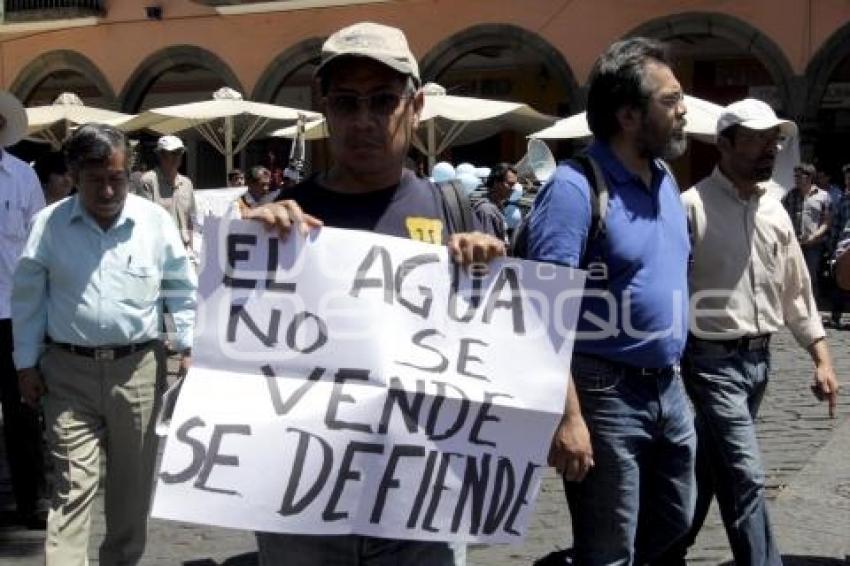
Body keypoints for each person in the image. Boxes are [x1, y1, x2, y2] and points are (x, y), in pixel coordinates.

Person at [239, 21, 505, 566]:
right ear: (325, 109)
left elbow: (495, 359)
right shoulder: (279, 224)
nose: (363, 120)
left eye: (383, 100)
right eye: (345, 102)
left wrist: (488, 276)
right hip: (302, 505)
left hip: (420, 500)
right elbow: (236, 357)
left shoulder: (455, 212)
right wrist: (250, 252)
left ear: (417, 105)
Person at [526, 37, 695, 565]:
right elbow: (541, 314)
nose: (684, 110)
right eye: (670, 101)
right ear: (628, 114)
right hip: (605, 391)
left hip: (669, 386)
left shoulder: (665, 178)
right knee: (609, 547)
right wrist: (567, 417)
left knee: (674, 522)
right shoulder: (574, 190)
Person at [658, 98, 840, 566]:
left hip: (760, 363)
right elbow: (666, 288)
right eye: (757, 140)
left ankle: (663, 550)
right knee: (745, 473)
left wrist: (821, 356)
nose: (769, 150)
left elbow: (796, 289)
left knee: (711, 465)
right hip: (711, 363)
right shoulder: (690, 207)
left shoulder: (775, 211)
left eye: (773, 141)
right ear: (724, 143)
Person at [12, 123, 197, 565]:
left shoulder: (153, 222)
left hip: (138, 371)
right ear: (75, 176)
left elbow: (181, 287)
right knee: (72, 486)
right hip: (67, 373)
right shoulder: (48, 226)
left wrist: (189, 346)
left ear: (128, 173)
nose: (108, 190)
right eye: (96, 180)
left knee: (130, 492)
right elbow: (28, 299)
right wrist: (25, 364)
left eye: (116, 178)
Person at [0, 90, 47, 529]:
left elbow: (36, 248)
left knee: (23, 415)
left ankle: (31, 502)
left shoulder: (22, 178)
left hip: (15, 316)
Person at [134, 134, 197, 256]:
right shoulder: (148, 180)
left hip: (183, 250)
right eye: (172, 152)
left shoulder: (187, 183)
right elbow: (143, 221)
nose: (177, 157)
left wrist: (191, 249)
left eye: (179, 152)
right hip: (158, 250)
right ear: (160, 155)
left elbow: (190, 220)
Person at [782, 162, 831, 298]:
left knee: (811, 277)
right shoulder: (790, 195)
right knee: (791, 277)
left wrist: (815, 235)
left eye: (799, 176)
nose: (796, 179)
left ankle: (812, 309)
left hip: (814, 245)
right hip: (793, 244)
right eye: (795, 176)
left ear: (809, 177)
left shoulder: (823, 196)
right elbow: (781, 217)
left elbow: (827, 221)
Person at [827, 163, 850, 327]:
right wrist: (832, 247)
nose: (848, 180)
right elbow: (837, 225)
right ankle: (836, 316)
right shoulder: (843, 199)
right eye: (847, 177)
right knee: (839, 282)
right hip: (843, 245)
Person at [474, 163, 517, 242]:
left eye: (514, 185)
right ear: (496, 182)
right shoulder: (485, 210)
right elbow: (489, 246)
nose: (513, 189)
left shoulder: (498, 207)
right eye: (510, 184)